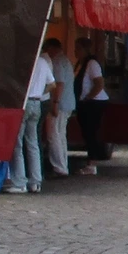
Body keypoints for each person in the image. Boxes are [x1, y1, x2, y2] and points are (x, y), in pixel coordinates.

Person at [6, 51, 55, 194]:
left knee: (18, 144)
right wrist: (40, 92)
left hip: (25, 102)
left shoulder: (24, 63)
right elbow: (52, 84)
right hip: (37, 103)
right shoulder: (43, 62)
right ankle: (36, 182)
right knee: (33, 143)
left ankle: (20, 182)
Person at [73, 36, 109, 176]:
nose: (75, 51)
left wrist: (87, 97)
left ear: (85, 49)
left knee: (91, 132)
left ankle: (92, 163)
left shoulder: (92, 64)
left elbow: (99, 83)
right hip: (87, 102)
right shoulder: (81, 64)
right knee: (87, 132)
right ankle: (91, 160)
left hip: (94, 102)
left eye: (78, 49)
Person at [42, 37, 75, 178]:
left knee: (53, 135)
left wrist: (55, 102)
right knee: (61, 135)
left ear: (51, 48)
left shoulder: (57, 62)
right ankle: (63, 165)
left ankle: (59, 167)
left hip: (60, 104)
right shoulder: (66, 60)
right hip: (67, 103)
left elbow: (59, 84)